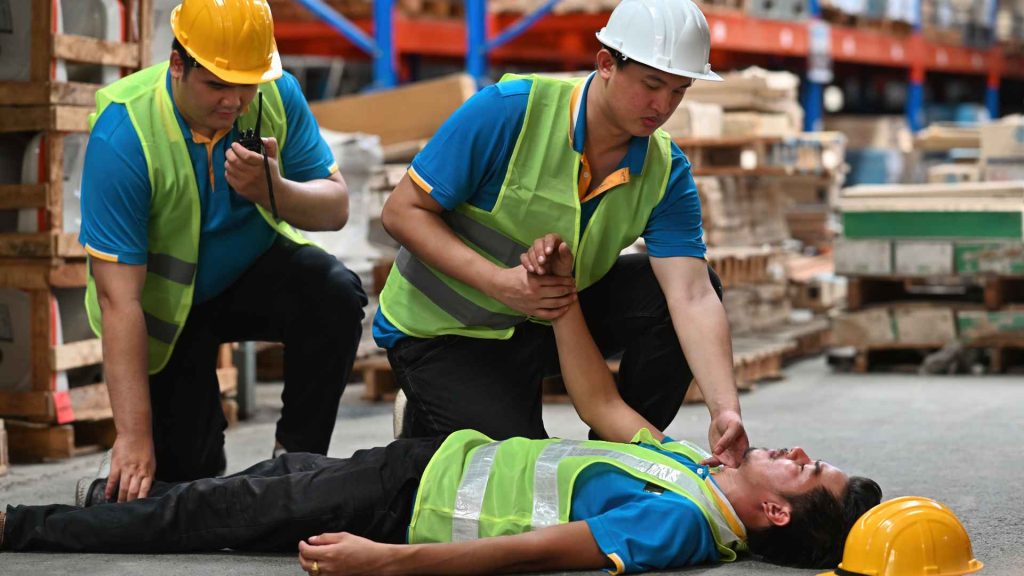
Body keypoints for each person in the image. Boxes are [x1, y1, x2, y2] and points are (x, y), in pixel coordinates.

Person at [1, 241, 882, 575]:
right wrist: (561, 295)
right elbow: (603, 404)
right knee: (262, 484)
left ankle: (24, 531)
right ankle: (110, 509)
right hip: (426, 461)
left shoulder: (686, 528)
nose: (799, 450)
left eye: (807, 471)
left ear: (774, 512)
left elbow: (541, 551)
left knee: (217, 511)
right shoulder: (692, 471)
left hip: (405, 504)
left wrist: (389, 564)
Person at [374, 0, 749, 466]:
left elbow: (691, 296)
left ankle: (614, 458)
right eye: (652, 85)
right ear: (607, 64)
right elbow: (401, 212)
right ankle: (427, 422)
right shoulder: (509, 113)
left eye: (679, 90)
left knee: (680, 293)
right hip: (448, 332)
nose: (663, 106)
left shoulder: (663, 169)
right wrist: (500, 284)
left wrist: (724, 409)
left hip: (549, 321)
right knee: (520, 472)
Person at [78, 0, 367, 500]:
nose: (235, 102)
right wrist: (133, 437)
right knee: (189, 481)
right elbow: (118, 300)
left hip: (246, 277)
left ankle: (296, 467)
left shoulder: (276, 95)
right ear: (177, 65)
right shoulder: (125, 133)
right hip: (165, 315)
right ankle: (176, 468)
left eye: (246, 83)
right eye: (217, 84)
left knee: (334, 293)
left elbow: (336, 207)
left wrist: (273, 189)